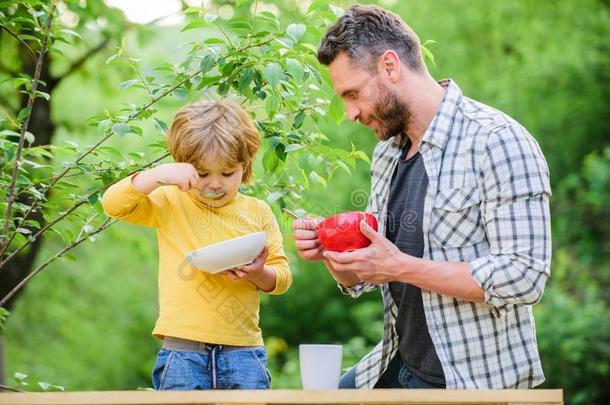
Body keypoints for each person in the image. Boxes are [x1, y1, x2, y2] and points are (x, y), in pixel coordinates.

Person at [293, 4, 551, 389]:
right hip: (398, 359)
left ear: (390, 66)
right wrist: (333, 252)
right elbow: (366, 273)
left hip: (473, 380)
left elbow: (524, 277)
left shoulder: (496, 141)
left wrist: (400, 266)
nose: (350, 113)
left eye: (353, 94)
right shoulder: (387, 153)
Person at [102, 101, 292, 390]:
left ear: (246, 165)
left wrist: (257, 274)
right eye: (202, 173)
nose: (214, 184)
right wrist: (156, 176)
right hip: (183, 351)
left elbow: (282, 277)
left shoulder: (258, 212)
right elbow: (113, 204)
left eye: (227, 173)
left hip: (244, 351)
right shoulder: (169, 201)